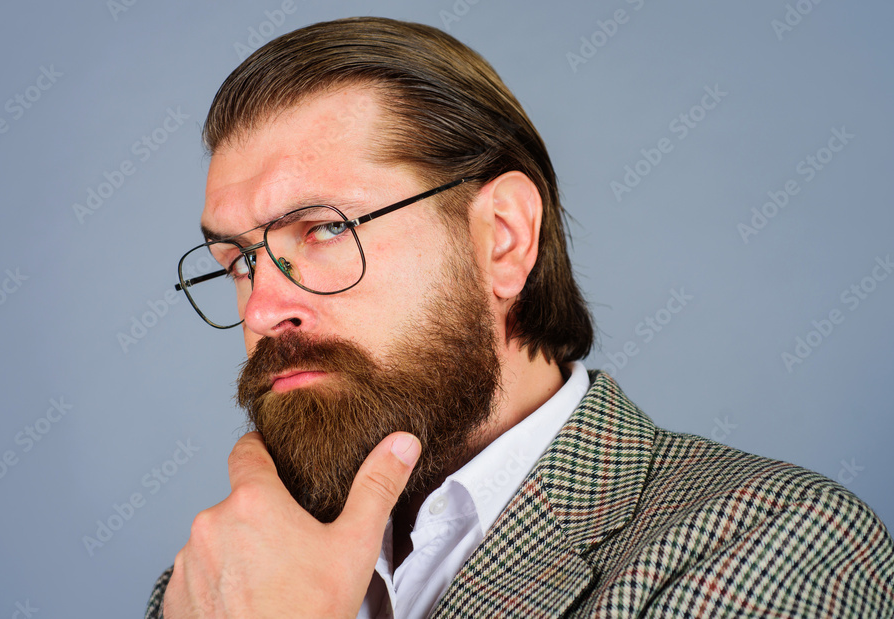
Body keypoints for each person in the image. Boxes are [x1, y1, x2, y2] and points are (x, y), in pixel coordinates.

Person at [147, 16, 893, 619]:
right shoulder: (224, 578)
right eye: (239, 260)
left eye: (326, 229)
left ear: (502, 237)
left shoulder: (777, 540)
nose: (266, 307)